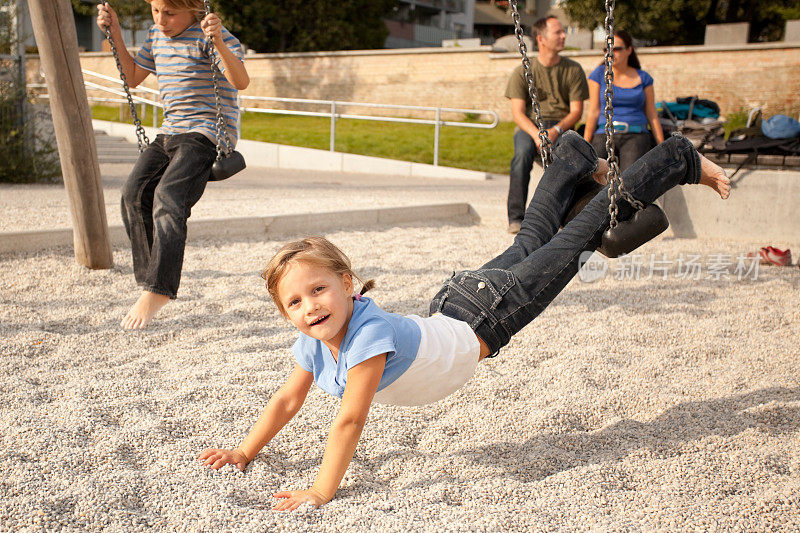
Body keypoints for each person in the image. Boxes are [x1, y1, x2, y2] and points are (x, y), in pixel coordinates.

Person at [199, 131, 731, 511]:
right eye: (295, 303)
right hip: (455, 306)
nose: (310, 307)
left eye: (318, 290)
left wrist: (321, 490)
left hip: (486, 316)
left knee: (581, 236)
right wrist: (245, 451)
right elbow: (287, 400)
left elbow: (348, 421)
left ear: (347, 282)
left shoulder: (366, 336)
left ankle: (676, 158)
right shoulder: (316, 341)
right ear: (286, 314)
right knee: (532, 241)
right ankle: (569, 157)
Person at [96, 0, 249, 329]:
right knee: (133, 194)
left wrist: (218, 41)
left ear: (194, 9)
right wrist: (116, 34)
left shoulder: (210, 36)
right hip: (169, 133)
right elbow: (133, 77)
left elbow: (240, 81)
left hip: (205, 133)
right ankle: (152, 280)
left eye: (170, 13)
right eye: (155, 11)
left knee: (168, 197)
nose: (161, 20)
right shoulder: (155, 37)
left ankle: (159, 289)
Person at [505, 16, 589, 234]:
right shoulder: (523, 70)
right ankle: (516, 217)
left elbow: (576, 111)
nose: (563, 36)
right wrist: (537, 135)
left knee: (567, 162)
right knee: (521, 155)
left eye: (563, 32)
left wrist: (556, 131)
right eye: (558, 32)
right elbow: (517, 113)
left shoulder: (573, 69)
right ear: (541, 38)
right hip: (531, 126)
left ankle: (563, 216)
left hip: (562, 126)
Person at [584, 30, 665, 172]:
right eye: (606, 49)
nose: (610, 53)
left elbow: (652, 114)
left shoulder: (644, 78)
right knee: (593, 175)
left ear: (629, 50)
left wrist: (663, 146)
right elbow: (593, 111)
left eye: (616, 49)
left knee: (629, 178)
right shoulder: (598, 74)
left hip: (636, 134)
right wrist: (584, 145)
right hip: (605, 132)